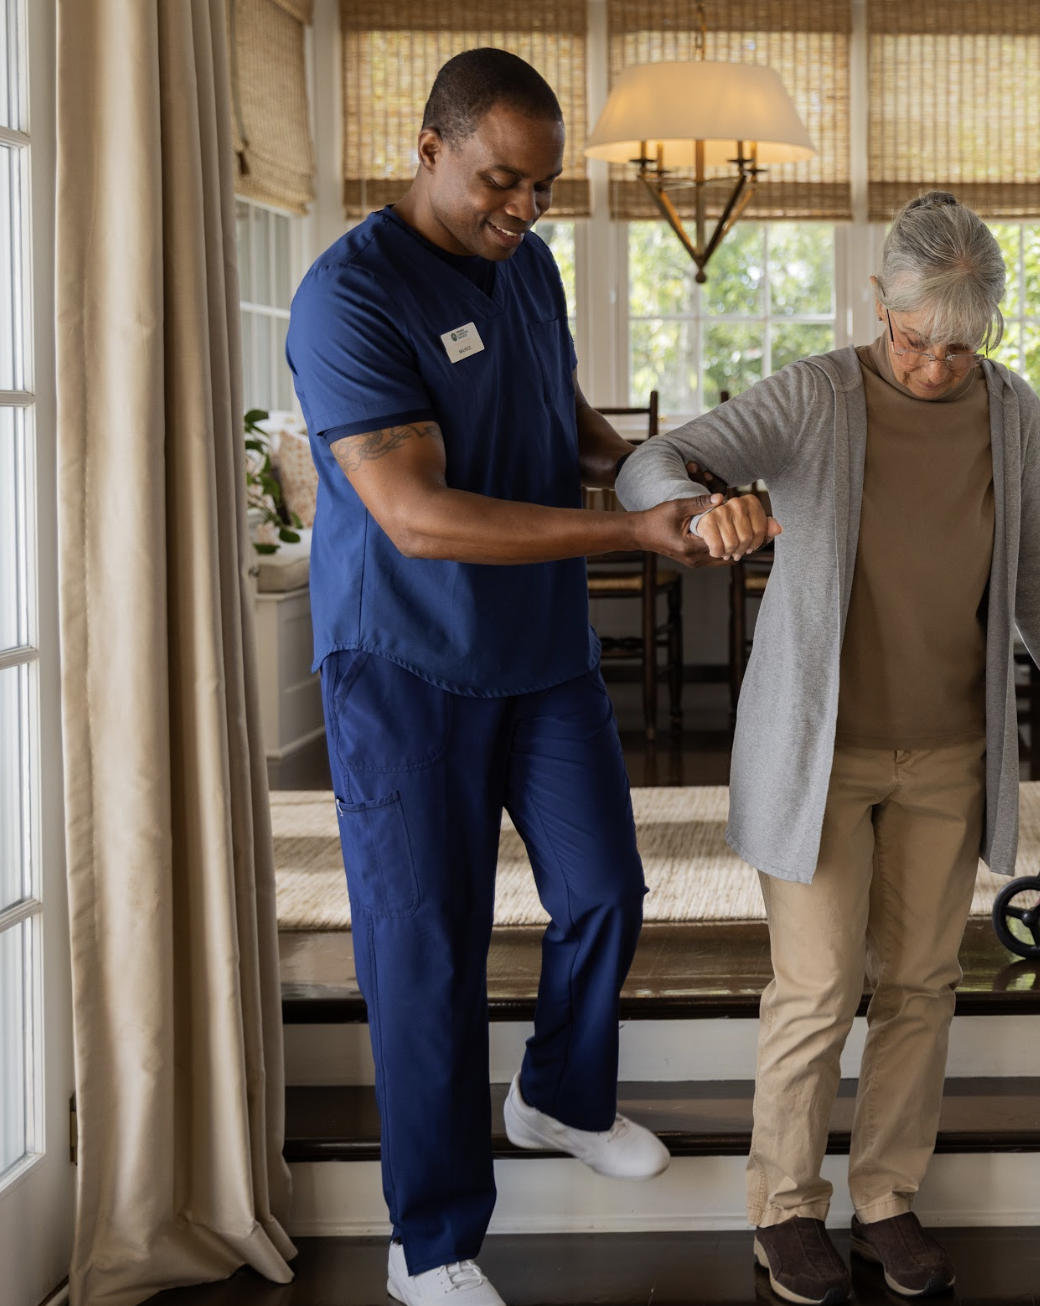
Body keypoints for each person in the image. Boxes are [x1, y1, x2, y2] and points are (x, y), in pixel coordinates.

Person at [617, 191, 1040, 1304]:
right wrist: (690, 509)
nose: (937, 368)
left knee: (921, 983)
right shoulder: (816, 396)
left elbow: (1038, 575)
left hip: (949, 748)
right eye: (914, 341)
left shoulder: (1011, 408)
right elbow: (655, 459)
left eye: (960, 347)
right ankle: (784, 1206)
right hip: (821, 756)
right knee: (816, 988)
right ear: (878, 302)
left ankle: (889, 1194)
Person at [285, 49, 739, 1306]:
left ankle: (554, 1096)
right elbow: (418, 514)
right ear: (426, 148)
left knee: (605, 889)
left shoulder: (522, 263)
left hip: (539, 654)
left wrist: (663, 479)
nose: (524, 212)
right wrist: (629, 536)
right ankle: (429, 1242)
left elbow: (566, 422)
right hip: (405, 661)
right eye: (499, 182)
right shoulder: (350, 297)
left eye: (541, 189)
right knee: (427, 949)